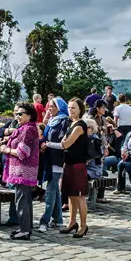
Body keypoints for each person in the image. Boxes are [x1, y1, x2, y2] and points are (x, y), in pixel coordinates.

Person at [0, 102, 40, 240]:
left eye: (20, 114)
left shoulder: (27, 130)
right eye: (16, 113)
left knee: (21, 201)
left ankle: (24, 230)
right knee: (25, 200)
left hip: (23, 171)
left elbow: (23, 152)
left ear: (29, 116)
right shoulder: (23, 128)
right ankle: (26, 228)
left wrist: (7, 150)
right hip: (21, 170)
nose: (17, 116)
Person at [59, 98, 90, 238]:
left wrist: (64, 142)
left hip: (78, 164)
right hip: (69, 163)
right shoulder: (71, 124)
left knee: (79, 196)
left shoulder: (79, 126)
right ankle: (72, 222)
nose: (70, 110)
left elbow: (66, 144)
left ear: (80, 110)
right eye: (69, 108)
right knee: (71, 195)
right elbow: (64, 141)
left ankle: (83, 226)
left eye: (73, 108)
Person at [38, 97, 69, 232]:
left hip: (57, 160)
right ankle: (58, 219)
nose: (50, 109)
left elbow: (63, 141)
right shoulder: (51, 120)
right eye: (49, 106)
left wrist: (48, 144)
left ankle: (45, 220)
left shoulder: (64, 121)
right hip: (48, 158)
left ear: (60, 108)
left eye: (53, 106)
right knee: (55, 190)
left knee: (50, 191)